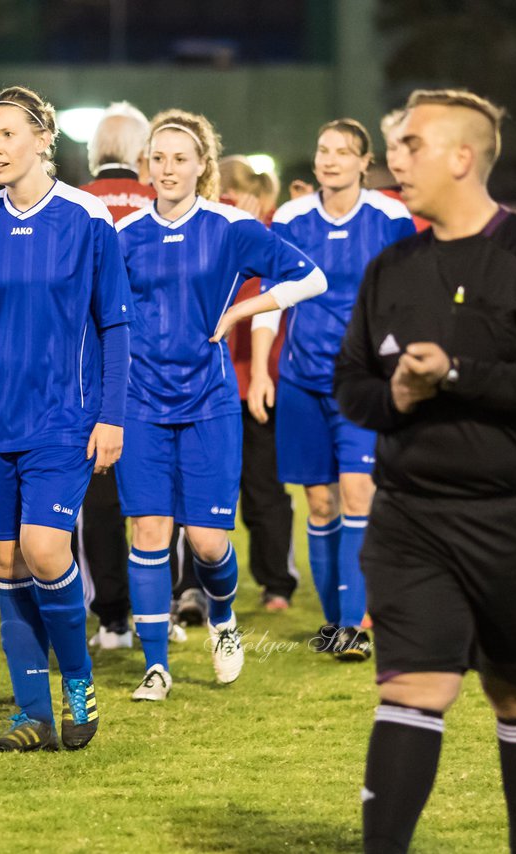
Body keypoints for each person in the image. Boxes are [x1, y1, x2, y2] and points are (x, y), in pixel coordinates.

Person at [335, 89, 516, 854]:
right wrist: (400, 394)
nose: (395, 160)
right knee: (413, 689)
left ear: (462, 157)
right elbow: (352, 387)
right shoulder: (393, 267)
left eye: (412, 145)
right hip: (412, 519)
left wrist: (454, 374)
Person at [0, 85, 130, 752]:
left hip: (63, 419)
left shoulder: (87, 218)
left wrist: (112, 415)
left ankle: (77, 685)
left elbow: (114, 323)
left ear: (43, 138)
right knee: (6, 558)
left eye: (7, 134)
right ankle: (31, 715)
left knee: (45, 548)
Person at [114, 109, 327, 700]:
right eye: (158, 158)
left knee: (207, 542)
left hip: (208, 401)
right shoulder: (124, 234)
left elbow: (311, 279)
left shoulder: (231, 226)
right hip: (141, 403)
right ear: (145, 165)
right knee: (150, 531)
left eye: (180, 158)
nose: (168, 168)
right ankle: (156, 666)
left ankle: (224, 617)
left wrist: (240, 310)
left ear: (203, 165)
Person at [249, 119, 416, 662]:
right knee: (319, 504)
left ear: (365, 162)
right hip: (300, 381)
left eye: (344, 152)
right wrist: (258, 372)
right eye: (323, 150)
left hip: (363, 385)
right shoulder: (292, 217)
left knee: (358, 494)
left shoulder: (390, 217)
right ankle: (334, 620)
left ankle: (353, 625)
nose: (330, 159)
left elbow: (409, 298)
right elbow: (274, 295)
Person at [76, 101, 155, 650]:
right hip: (157, 376)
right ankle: (162, 606)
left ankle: (112, 619)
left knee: (98, 502)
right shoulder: (162, 204)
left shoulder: (74, 205)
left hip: (93, 374)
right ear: (142, 153)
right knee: (155, 501)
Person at [219, 155, 298, 612]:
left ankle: (191, 588)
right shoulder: (270, 226)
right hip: (262, 380)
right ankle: (276, 585)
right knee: (266, 487)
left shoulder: (225, 228)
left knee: (203, 489)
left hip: (230, 380)